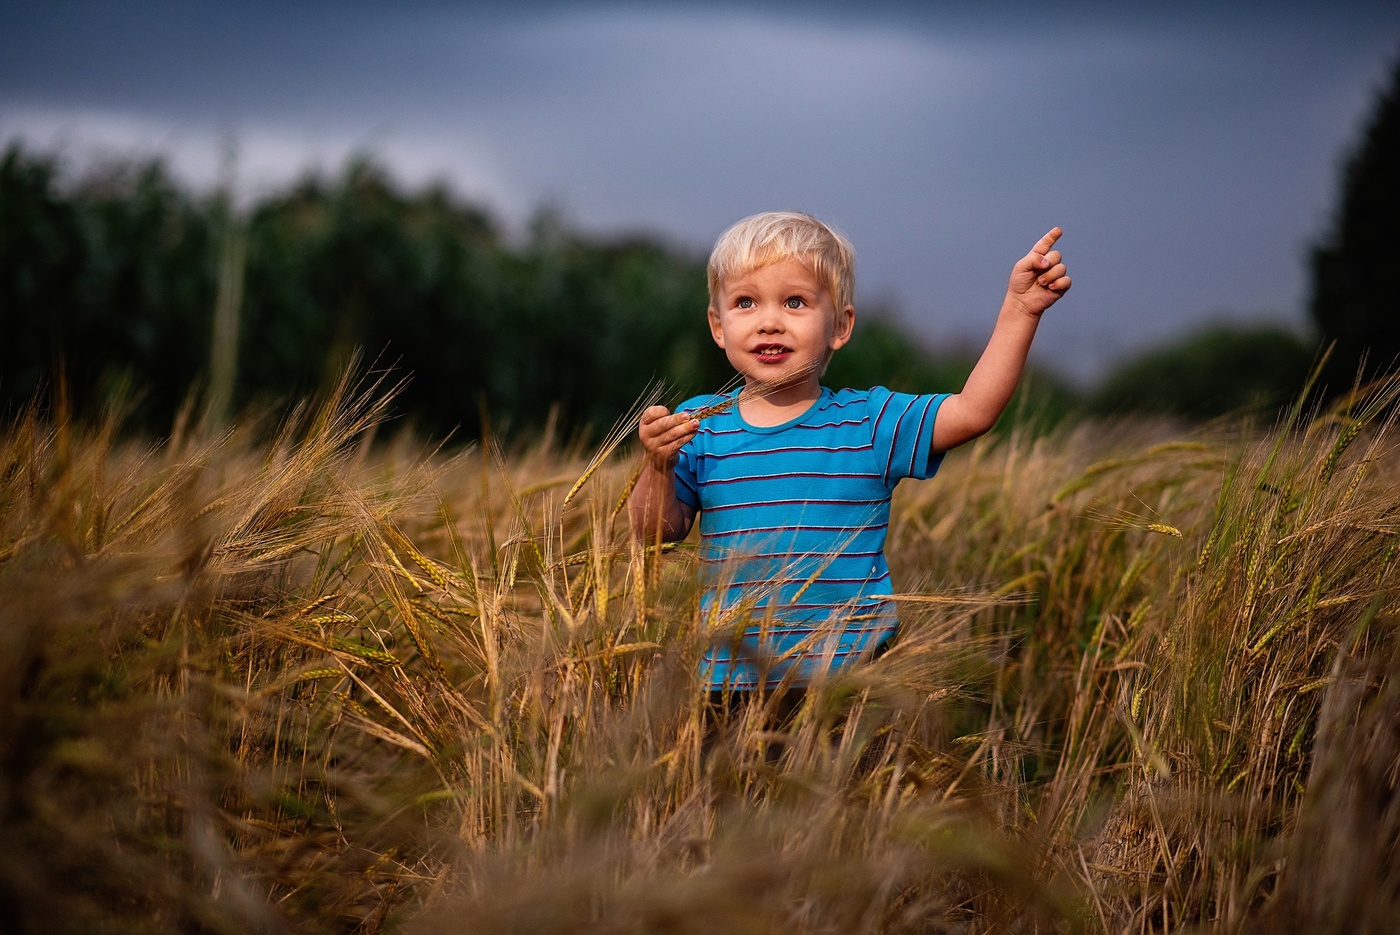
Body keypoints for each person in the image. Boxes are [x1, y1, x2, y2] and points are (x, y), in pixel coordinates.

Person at [628, 211, 1070, 694]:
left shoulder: (869, 422)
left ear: (840, 325)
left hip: (852, 683)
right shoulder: (699, 426)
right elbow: (656, 532)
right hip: (730, 679)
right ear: (718, 325)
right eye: (745, 302)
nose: (769, 321)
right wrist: (658, 464)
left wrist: (1020, 311)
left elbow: (973, 412)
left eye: (795, 302)